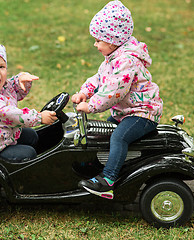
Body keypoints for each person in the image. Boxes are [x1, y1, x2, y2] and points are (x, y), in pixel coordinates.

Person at [72, 1, 163, 199]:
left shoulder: (126, 61)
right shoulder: (114, 56)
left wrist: (91, 105)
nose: (95, 44)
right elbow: (99, 78)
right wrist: (85, 92)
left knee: (118, 137)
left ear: (112, 40)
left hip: (142, 113)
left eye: (98, 40)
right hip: (127, 112)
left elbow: (114, 91)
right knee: (104, 133)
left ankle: (109, 179)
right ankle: (97, 166)